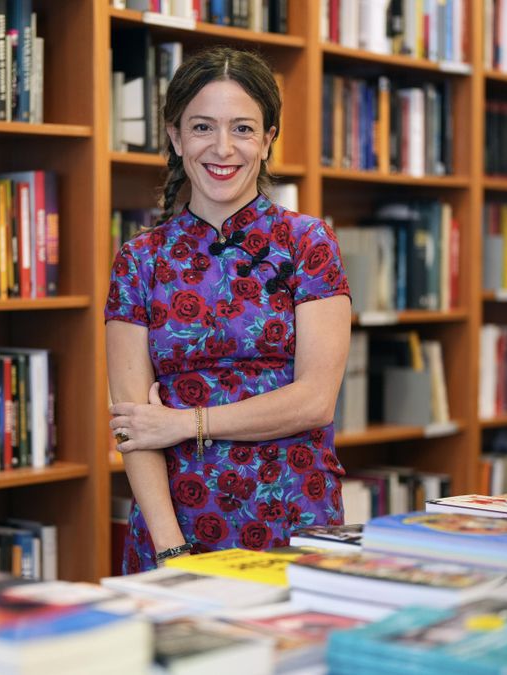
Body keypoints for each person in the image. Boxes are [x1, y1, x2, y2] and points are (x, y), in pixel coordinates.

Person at [105, 46, 352, 573]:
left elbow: (315, 402)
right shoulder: (137, 260)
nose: (223, 148)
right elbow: (133, 427)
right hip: (175, 524)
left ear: (268, 139)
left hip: (294, 512)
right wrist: (171, 550)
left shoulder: (308, 242)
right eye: (202, 127)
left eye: (242, 129)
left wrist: (183, 423)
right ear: (175, 137)